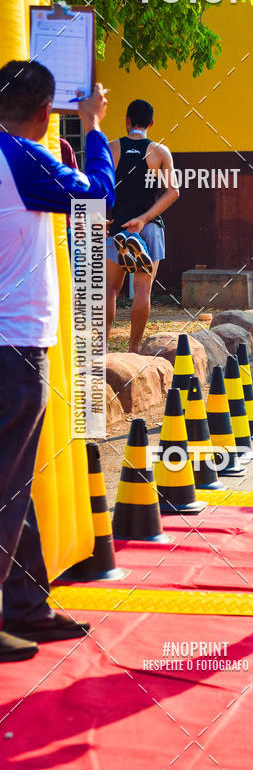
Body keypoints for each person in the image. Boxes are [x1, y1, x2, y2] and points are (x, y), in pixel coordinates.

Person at [0, 60, 115, 662]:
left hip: (13, 342)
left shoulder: (21, 160)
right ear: (47, 113)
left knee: (11, 481)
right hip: (16, 346)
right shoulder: (23, 158)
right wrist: (95, 132)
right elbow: (95, 200)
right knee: (6, 486)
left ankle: (26, 604)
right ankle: (16, 605)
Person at [105, 99, 179, 353]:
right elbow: (172, 192)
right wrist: (145, 219)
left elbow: (95, 187)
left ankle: (102, 348)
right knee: (142, 289)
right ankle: (133, 349)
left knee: (110, 289)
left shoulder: (111, 148)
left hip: (119, 227)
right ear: (151, 123)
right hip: (148, 227)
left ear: (127, 120)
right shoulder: (160, 152)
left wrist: (99, 218)